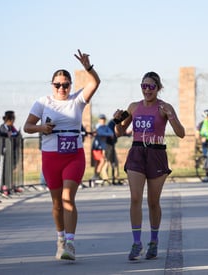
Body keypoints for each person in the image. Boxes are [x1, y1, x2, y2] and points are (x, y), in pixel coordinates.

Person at [23, 49, 100, 261]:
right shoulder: (42, 102)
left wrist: (88, 68)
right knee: (57, 203)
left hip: (73, 155)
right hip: (51, 157)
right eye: (58, 85)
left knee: (68, 199)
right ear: (52, 85)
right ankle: (60, 238)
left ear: (70, 86)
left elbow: (95, 83)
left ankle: (71, 243)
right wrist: (42, 129)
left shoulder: (77, 100)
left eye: (66, 84)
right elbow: (27, 127)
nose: (62, 88)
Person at [113, 71, 185, 261]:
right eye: (143, 86)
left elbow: (181, 133)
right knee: (135, 198)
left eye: (151, 86)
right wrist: (117, 120)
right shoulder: (134, 107)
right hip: (137, 153)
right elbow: (120, 132)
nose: (147, 90)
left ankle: (154, 241)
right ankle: (137, 243)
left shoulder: (164, 107)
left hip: (157, 154)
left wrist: (172, 117)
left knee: (153, 202)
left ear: (158, 88)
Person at [91, 114, 114, 180]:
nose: (102, 121)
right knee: (102, 160)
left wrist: (107, 134)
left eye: (103, 119)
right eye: (101, 119)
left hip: (102, 147)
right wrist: (107, 134)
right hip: (96, 147)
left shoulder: (106, 127)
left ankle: (95, 175)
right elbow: (100, 133)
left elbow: (111, 133)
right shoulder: (98, 126)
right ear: (99, 120)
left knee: (98, 162)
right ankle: (96, 175)